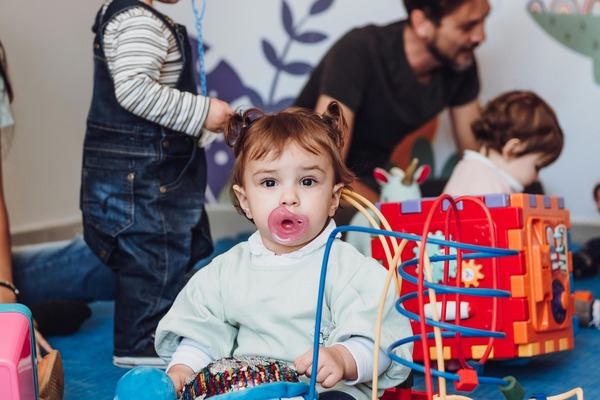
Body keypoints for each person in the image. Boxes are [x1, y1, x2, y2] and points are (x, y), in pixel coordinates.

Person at [154, 102, 413, 399]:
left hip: (321, 389)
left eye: (307, 181)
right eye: (269, 182)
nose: (288, 197)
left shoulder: (351, 271)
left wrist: (344, 358)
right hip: (248, 388)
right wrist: (182, 370)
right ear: (246, 200)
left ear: (333, 197)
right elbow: (202, 334)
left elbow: (377, 340)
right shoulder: (226, 272)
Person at [80, 0, 233, 368]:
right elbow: (134, 91)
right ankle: (142, 340)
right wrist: (203, 111)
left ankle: (163, 323)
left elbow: (153, 100)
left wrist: (202, 127)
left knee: (162, 250)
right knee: (156, 251)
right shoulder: (139, 22)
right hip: (146, 175)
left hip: (137, 170)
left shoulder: (128, 16)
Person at [295, 0, 490, 205]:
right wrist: (390, 214)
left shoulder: (460, 61)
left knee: (466, 200)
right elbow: (326, 169)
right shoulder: (358, 50)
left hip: (371, 182)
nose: (481, 36)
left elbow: (475, 157)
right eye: (467, 26)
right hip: (312, 184)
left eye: (484, 20)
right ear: (421, 23)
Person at [442, 90, 564, 196]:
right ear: (512, 149)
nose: (536, 178)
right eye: (537, 167)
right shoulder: (486, 183)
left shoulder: (472, 168)